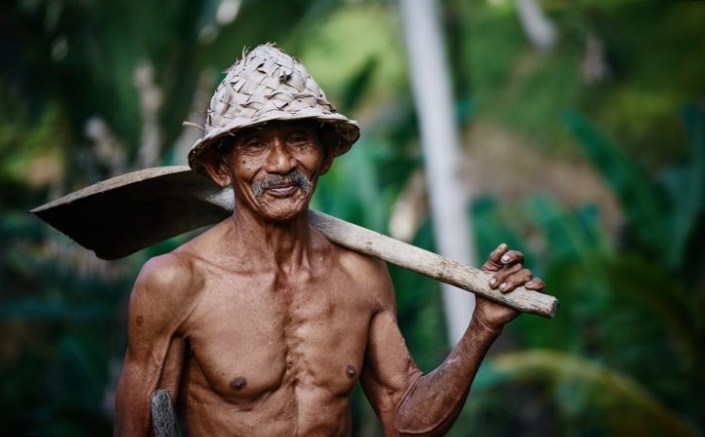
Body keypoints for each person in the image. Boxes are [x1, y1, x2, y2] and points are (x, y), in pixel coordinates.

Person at [114, 44, 545, 436]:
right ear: (221, 169)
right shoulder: (177, 283)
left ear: (323, 158)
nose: (281, 163)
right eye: (255, 145)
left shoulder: (360, 275)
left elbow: (406, 422)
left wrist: (481, 328)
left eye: (298, 139)